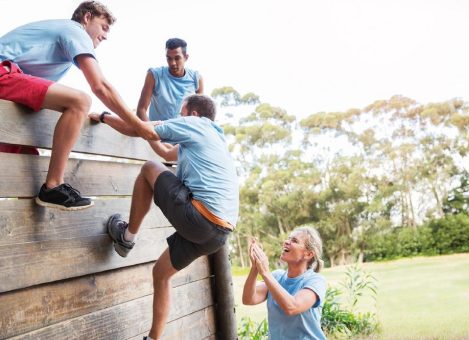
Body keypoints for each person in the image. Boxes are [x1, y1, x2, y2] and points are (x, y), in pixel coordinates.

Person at [0, 1, 158, 210]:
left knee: (29, 172)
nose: (105, 36)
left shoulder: (58, 48)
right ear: (87, 18)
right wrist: (139, 125)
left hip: (11, 91)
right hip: (4, 73)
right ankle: (53, 186)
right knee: (79, 101)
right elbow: (100, 86)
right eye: (104, 27)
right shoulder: (74, 30)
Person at [105, 94, 238, 340]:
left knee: (148, 168)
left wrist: (104, 117)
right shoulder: (213, 138)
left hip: (201, 219)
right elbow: (165, 151)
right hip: (219, 235)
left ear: (193, 115)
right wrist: (146, 126)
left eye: (181, 113)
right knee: (161, 273)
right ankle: (153, 338)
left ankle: (126, 237)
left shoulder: (196, 125)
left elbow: (146, 132)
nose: (178, 118)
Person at [89, 37, 203, 159]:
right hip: (157, 127)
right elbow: (141, 109)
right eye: (168, 58)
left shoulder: (196, 78)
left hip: (182, 131)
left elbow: (201, 115)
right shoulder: (154, 75)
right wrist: (147, 131)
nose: (172, 63)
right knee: (135, 127)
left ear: (186, 57)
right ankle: (105, 117)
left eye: (177, 58)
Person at [243, 227, 327, 340]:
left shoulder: (315, 281)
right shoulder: (276, 276)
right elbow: (249, 299)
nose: (286, 242)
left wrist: (265, 272)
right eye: (288, 239)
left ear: (308, 254)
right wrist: (255, 268)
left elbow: (292, 307)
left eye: (294, 241)